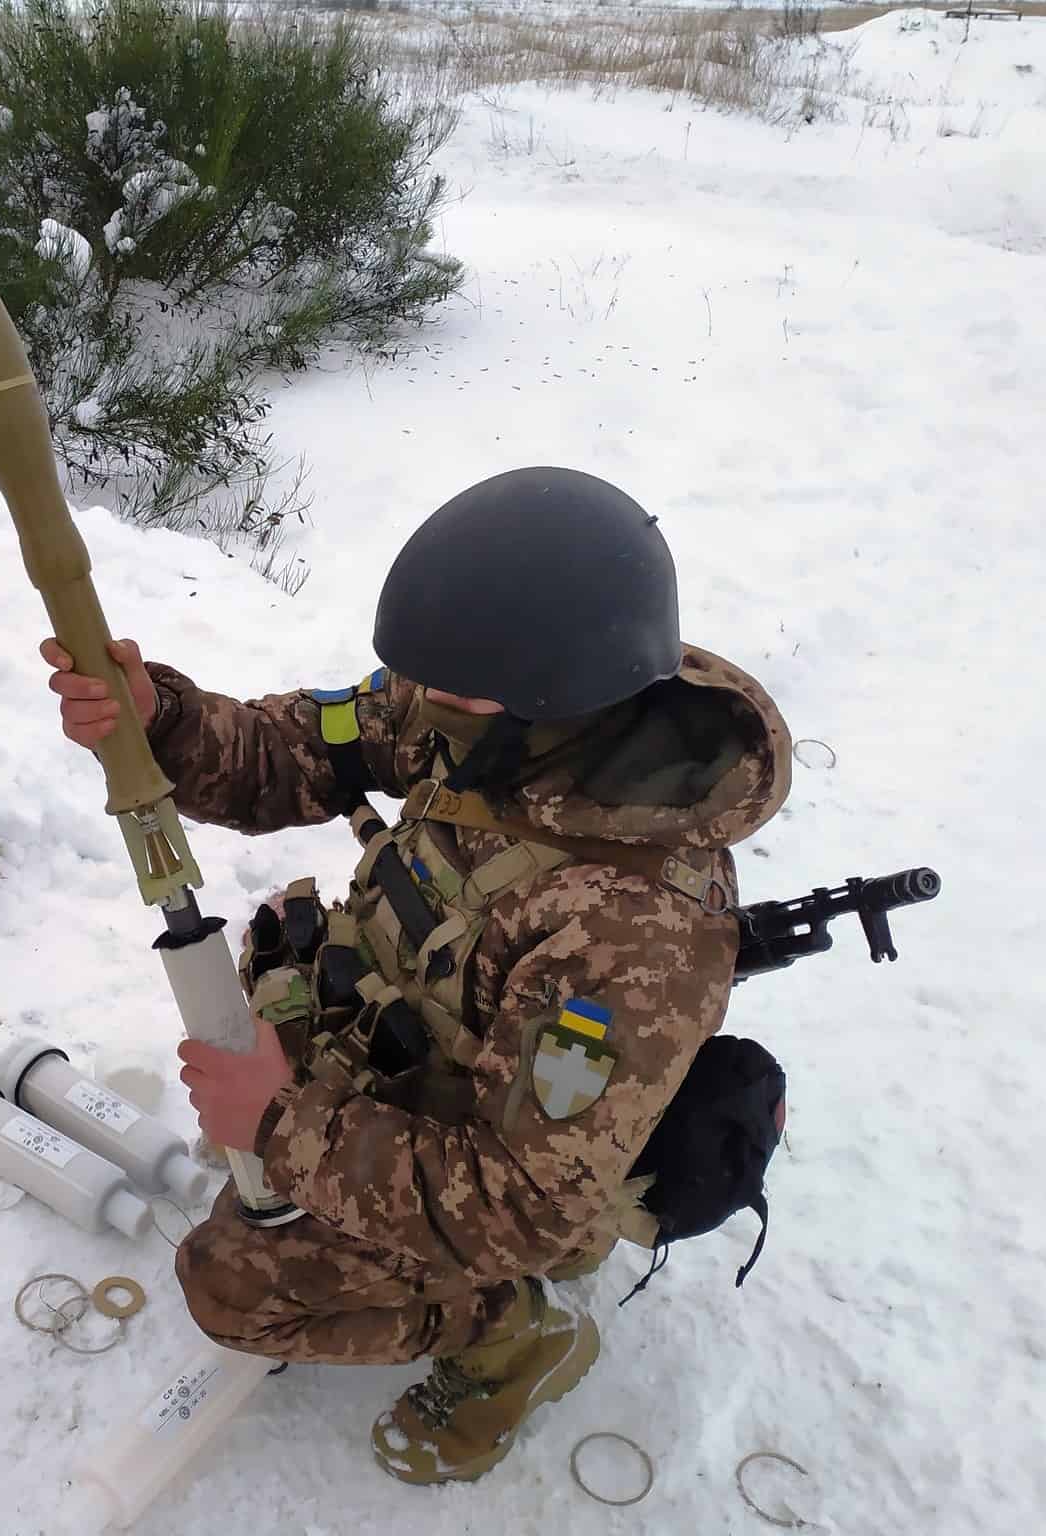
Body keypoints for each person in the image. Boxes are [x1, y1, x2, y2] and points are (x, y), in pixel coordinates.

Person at [41, 466, 793, 1485]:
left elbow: (527, 1203)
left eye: (453, 687)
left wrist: (279, 1124)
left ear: (559, 686)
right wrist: (162, 717)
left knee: (230, 1287)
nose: (421, 703)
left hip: (507, 1168)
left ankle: (511, 1337)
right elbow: (298, 747)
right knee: (258, 1089)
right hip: (407, 1057)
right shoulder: (488, 706)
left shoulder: (629, 936)